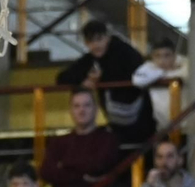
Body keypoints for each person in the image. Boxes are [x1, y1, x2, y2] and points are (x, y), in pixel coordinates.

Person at [57, 20, 156, 149]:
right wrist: (85, 80)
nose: (96, 45)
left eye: (99, 39)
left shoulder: (126, 53)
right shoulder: (92, 60)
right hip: (117, 123)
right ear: (86, 43)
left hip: (141, 119)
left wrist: (97, 79)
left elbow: (139, 73)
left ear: (107, 37)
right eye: (91, 41)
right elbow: (61, 78)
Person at [41, 88, 123, 187]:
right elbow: (46, 172)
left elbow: (98, 165)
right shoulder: (58, 142)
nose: (81, 110)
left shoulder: (108, 139)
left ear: (95, 109)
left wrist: (64, 165)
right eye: (77, 106)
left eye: (87, 105)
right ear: (71, 111)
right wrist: (82, 176)